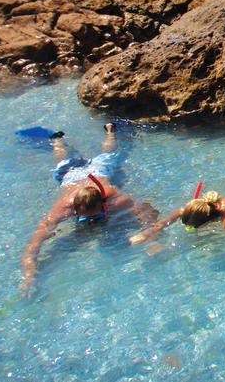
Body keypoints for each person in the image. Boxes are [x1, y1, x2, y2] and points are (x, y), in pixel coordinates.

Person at [19, 123, 156, 296]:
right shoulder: (64, 207)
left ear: (103, 203)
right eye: (82, 215)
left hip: (98, 171)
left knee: (109, 155)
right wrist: (29, 276)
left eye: (95, 214)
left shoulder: (113, 196)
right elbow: (35, 243)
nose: (91, 220)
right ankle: (57, 141)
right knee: (63, 162)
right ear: (74, 209)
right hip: (71, 177)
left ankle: (110, 132)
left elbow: (146, 213)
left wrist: (153, 242)